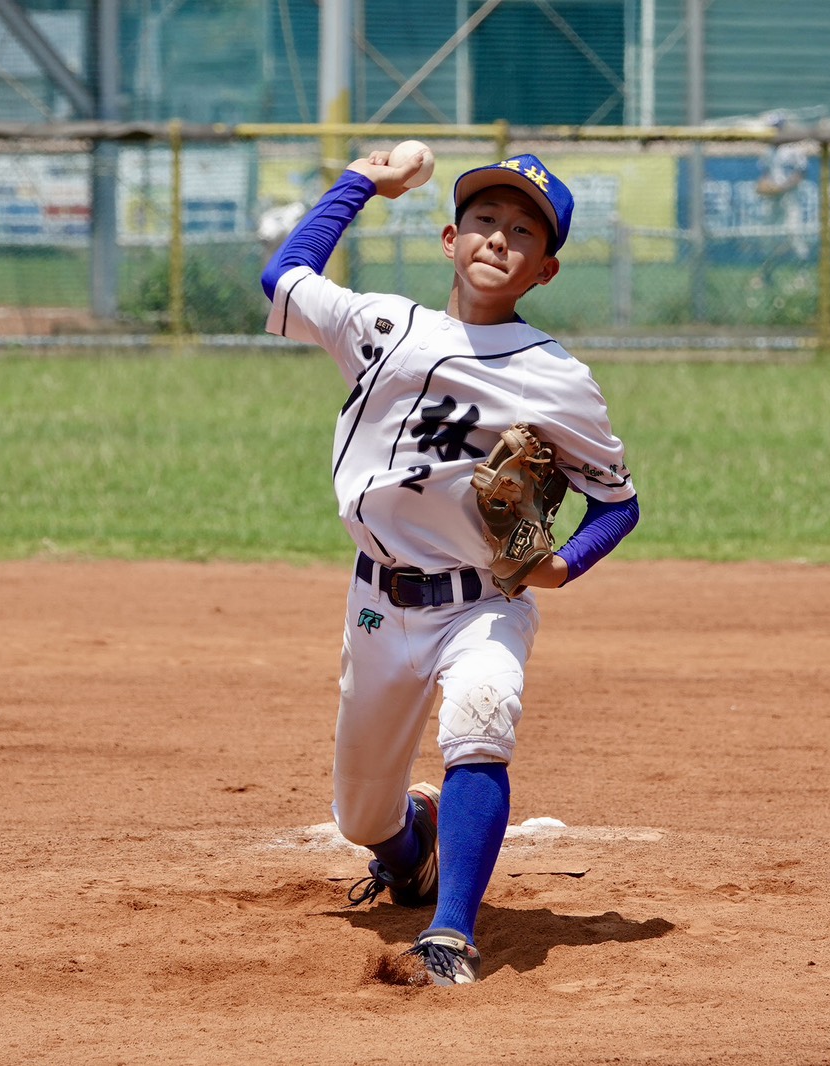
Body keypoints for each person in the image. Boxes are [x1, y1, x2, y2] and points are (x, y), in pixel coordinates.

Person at [258, 150, 640, 986]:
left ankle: (452, 932)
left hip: (483, 603)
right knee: (361, 814)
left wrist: (561, 567)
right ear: (448, 237)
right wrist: (361, 182)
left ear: (545, 269)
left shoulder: (556, 377)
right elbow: (283, 276)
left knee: (482, 714)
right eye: (482, 221)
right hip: (378, 603)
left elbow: (618, 504)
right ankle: (411, 847)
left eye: (522, 231)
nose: (497, 239)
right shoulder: (381, 325)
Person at [753, 111, 811, 280]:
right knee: (768, 237)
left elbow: (801, 174)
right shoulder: (767, 151)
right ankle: (766, 275)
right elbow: (763, 176)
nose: (775, 131)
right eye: (772, 128)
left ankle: (803, 275)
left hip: (790, 198)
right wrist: (763, 187)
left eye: (777, 128)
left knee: (795, 234)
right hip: (772, 200)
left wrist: (781, 188)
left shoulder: (793, 148)